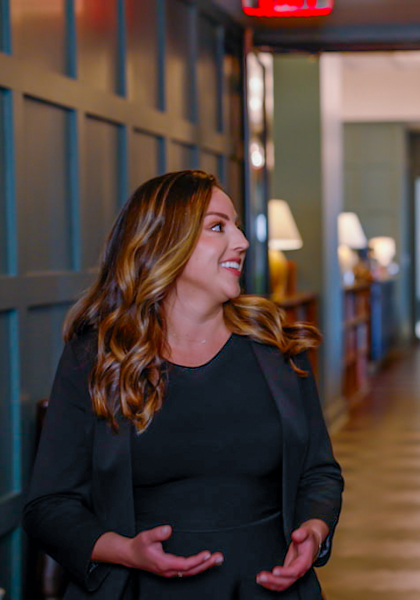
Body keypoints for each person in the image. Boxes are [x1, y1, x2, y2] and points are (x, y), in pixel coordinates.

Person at [23, 170, 343, 599]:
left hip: (268, 588)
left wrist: (315, 530)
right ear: (162, 243)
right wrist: (127, 551)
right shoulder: (97, 357)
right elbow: (49, 507)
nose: (242, 241)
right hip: (136, 590)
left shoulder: (276, 346)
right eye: (217, 227)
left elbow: (319, 472)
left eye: (237, 225)